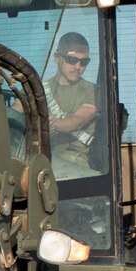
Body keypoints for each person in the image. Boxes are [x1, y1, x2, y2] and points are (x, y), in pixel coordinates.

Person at [43, 31, 100, 178]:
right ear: (57, 58)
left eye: (84, 62)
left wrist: (51, 124)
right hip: (41, 157)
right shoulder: (39, 89)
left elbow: (77, 121)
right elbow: (13, 116)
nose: (78, 66)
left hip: (74, 161)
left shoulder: (92, 90)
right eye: (71, 60)